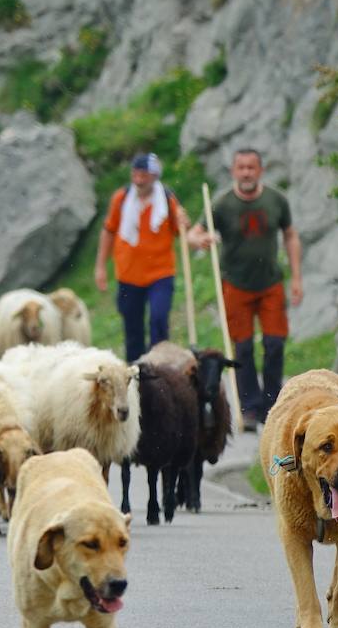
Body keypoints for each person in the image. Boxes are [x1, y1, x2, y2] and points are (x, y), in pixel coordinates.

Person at [188, 148, 302, 430]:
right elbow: (193, 234)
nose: (247, 173)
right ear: (233, 172)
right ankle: (250, 408)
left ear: (260, 170)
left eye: (251, 167)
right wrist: (202, 239)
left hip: (270, 283)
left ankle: (274, 403)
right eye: (241, 168)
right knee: (243, 348)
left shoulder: (276, 200)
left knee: (274, 344)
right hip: (236, 286)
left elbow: (290, 235)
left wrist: (296, 277)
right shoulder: (223, 204)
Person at [94, 152, 190, 362]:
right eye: (135, 174)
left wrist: (190, 231)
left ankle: (159, 367)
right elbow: (108, 230)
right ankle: (136, 371)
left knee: (158, 319)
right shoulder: (121, 199)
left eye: (143, 175)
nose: (138, 179)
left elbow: (182, 234)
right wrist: (100, 266)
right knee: (132, 327)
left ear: (154, 176)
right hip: (128, 275)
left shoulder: (167, 200)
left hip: (161, 274)